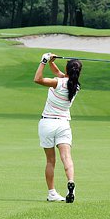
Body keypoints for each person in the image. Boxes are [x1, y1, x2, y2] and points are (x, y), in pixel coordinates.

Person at [33, 52, 82, 203]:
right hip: (63, 125)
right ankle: (70, 182)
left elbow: (38, 79)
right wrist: (51, 62)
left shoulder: (58, 83)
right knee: (66, 157)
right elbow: (59, 74)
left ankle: (52, 193)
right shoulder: (75, 86)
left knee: (50, 161)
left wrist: (43, 61)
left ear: (67, 70)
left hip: (47, 123)